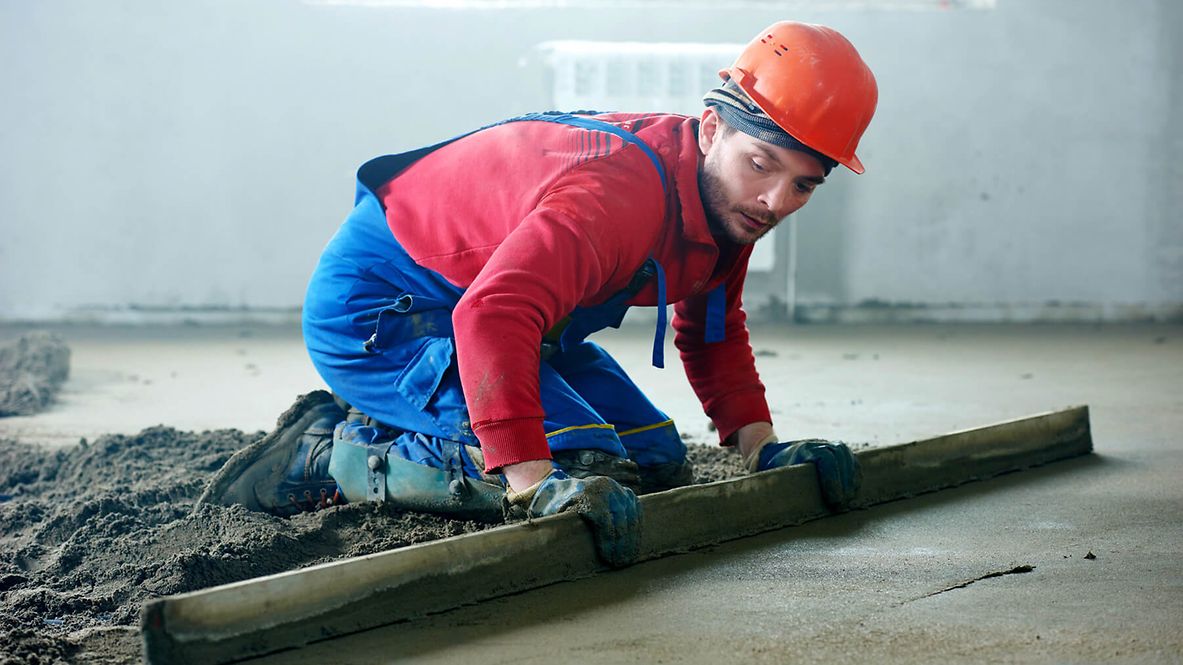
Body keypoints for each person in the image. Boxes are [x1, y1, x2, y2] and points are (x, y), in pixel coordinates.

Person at [199, 21, 878, 568]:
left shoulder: (729, 204)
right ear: (710, 129)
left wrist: (764, 448)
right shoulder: (617, 195)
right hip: (381, 311)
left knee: (654, 460)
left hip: (503, 315)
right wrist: (531, 484)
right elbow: (493, 314)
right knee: (578, 463)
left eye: (802, 184)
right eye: (761, 165)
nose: (773, 200)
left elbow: (711, 330)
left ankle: (431, 416)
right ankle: (325, 450)